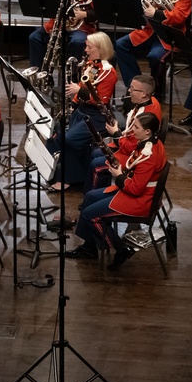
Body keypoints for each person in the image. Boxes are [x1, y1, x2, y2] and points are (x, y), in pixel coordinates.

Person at [66, 113, 166, 271]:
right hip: (133, 190)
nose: (132, 130)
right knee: (90, 197)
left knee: (90, 216)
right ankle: (89, 248)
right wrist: (120, 170)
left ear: (148, 132)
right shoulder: (150, 142)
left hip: (140, 200)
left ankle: (121, 249)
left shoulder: (148, 156)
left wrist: (118, 175)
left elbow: (135, 189)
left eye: (136, 127)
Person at [46, 32, 118, 190]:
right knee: (57, 130)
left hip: (98, 116)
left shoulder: (108, 72)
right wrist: (71, 105)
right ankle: (54, 171)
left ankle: (72, 178)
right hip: (83, 110)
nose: (85, 50)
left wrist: (78, 91)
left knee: (70, 139)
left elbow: (101, 101)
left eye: (89, 47)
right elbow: (85, 86)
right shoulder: (93, 66)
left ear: (99, 49)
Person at [113, 0, 192, 91]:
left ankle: (156, 91)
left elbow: (179, 16)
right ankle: (136, 86)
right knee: (120, 45)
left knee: (155, 57)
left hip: (169, 35)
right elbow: (143, 7)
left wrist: (155, 13)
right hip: (150, 30)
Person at [87, 75, 161, 192]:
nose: (129, 91)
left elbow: (130, 148)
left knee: (97, 165)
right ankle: (99, 189)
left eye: (132, 88)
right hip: (129, 145)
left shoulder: (145, 116)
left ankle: (96, 194)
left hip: (132, 154)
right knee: (95, 154)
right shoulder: (149, 101)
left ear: (143, 94)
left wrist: (115, 132)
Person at [26, 0, 98, 70]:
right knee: (34, 37)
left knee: (77, 42)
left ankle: (72, 77)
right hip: (57, 24)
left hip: (80, 28)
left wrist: (85, 14)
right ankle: (39, 75)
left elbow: (100, 13)